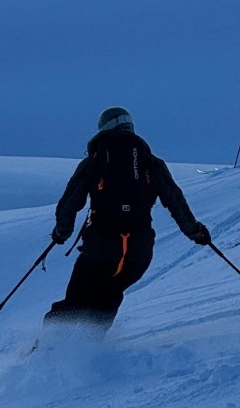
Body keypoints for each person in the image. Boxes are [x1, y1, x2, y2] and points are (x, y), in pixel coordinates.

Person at [45, 107, 211, 329]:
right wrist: (196, 232)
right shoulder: (152, 163)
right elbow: (175, 201)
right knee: (110, 295)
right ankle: (90, 347)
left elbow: (70, 201)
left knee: (77, 300)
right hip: (138, 252)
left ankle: (44, 351)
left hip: (100, 249)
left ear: (103, 129)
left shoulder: (94, 161)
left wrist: (61, 233)